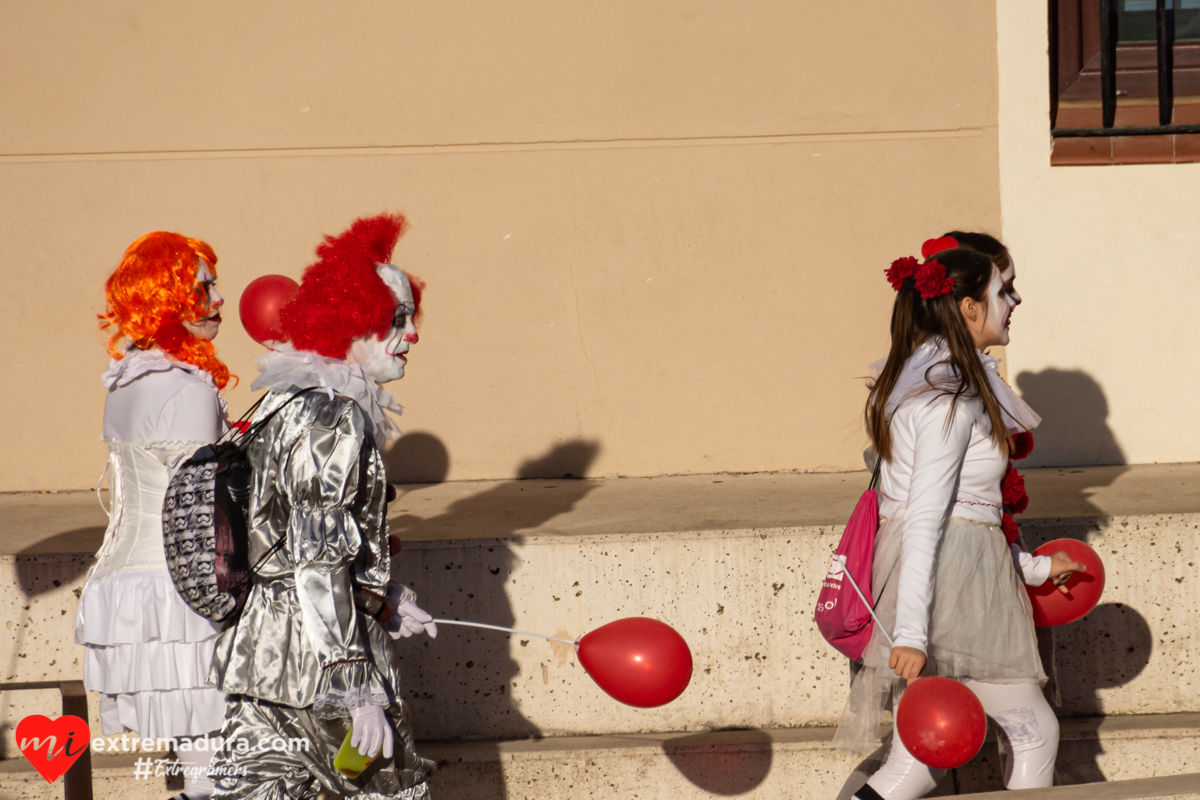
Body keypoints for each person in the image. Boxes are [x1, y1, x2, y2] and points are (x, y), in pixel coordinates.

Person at [835, 234, 1084, 800]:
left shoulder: (932, 383)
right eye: (1005, 290)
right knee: (1018, 734)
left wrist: (1036, 571)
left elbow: (967, 511)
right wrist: (914, 636)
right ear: (969, 307)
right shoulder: (948, 397)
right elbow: (927, 517)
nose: (1014, 300)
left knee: (928, 755)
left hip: (958, 575)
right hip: (950, 589)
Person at [207, 213, 437, 800]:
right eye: (397, 319)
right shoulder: (332, 418)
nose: (412, 335)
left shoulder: (283, 403)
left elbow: (284, 535)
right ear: (350, 319)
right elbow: (314, 557)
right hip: (318, 662)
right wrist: (354, 686)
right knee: (381, 787)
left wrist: (382, 599)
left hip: (268, 656)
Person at [78, 231, 234, 800]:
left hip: (130, 585)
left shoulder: (129, 378)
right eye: (203, 288)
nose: (219, 300)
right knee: (215, 769)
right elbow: (201, 509)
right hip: (181, 591)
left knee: (202, 768)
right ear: (166, 298)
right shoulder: (184, 388)